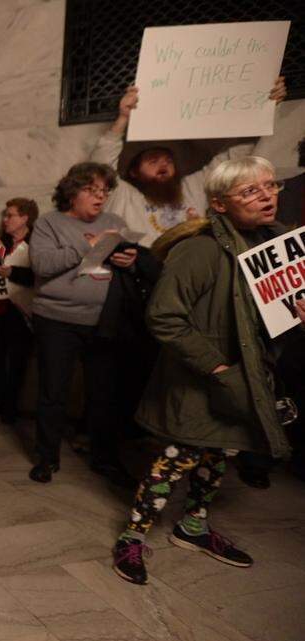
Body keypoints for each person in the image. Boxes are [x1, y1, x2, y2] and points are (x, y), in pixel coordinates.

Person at [111, 156, 295, 586]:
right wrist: (216, 367)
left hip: (247, 376)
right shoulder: (199, 250)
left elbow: (266, 316)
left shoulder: (279, 245)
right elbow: (164, 318)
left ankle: (192, 528)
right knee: (177, 460)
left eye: (270, 186)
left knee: (222, 452)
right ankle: (132, 537)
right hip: (201, 379)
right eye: (250, 190)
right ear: (220, 204)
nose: (266, 196)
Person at [28, 162, 136, 487]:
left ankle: (104, 459)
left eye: (104, 191)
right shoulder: (49, 223)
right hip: (56, 320)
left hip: (103, 322)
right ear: (72, 191)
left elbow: (126, 267)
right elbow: (43, 265)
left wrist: (127, 260)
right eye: (92, 190)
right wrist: (86, 246)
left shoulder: (115, 223)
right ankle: (46, 459)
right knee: (52, 393)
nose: (100, 197)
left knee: (103, 394)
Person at [91, 78, 286, 246]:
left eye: (168, 160)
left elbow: (234, 155)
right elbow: (100, 167)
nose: (163, 165)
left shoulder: (193, 186)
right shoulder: (124, 196)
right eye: (153, 161)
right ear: (134, 172)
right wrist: (123, 117)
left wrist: (268, 106)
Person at [0, 198, 37, 424]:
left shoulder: (37, 243)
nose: (5, 220)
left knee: (16, 362)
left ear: (25, 218)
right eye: (5, 215)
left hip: (21, 312)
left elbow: (37, 277)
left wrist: (12, 273)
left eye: (10, 215)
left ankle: (11, 407)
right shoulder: (0, 244)